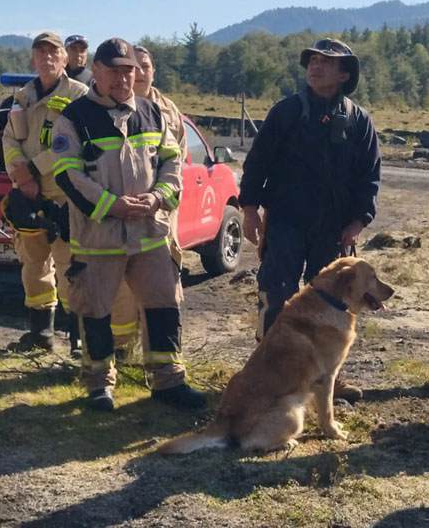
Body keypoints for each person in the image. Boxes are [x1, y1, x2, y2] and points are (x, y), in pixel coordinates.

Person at [50, 38, 205, 411]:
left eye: (128, 71)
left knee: (164, 306)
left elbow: (173, 164)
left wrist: (157, 198)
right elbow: (67, 175)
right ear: (97, 72)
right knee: (95, 311)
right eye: (114, 71)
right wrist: (110, 205)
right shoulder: (72, 118)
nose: (122, 79)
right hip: (98, 234)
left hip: (149, 232)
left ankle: (168, 382)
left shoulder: (152, 113)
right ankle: (99, 386)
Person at [239, 38, 380, 403]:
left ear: (345, 73)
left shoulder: (359, 120)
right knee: (277, 295)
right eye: (312, 61)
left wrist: (359, 222)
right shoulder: (286, 112)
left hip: (333, 230)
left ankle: (328, 381)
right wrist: (250, 209)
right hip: (285, 222)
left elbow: (369, 177)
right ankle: (267, 376)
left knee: (335, 304)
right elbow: (258, 163)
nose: (315, 67)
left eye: (326, 62)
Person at [1, 32, 88, 353]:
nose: (47, 57)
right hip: (29, 196)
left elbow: (73, 143)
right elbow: (9, 140)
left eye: (54, 52)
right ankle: (42, 334)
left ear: (65, 60)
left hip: (66, 197)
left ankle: (80, 338)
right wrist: (21, 177)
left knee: (71, 269)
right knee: (33, 265)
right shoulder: (22, 97)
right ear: (32, 59)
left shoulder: (79, 94)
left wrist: (32, 169)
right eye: (40, 52)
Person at [104, 44, 191, 365]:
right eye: (133, 66)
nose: (139, 72)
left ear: (154, 71)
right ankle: (123, 353)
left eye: (145, 66)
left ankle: (164, 358)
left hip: (162, 214)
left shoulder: (168, 110)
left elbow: (176, 161)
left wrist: (157, 197)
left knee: (166, 281)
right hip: (123, 213)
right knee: (121, 290)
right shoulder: (110, 105)